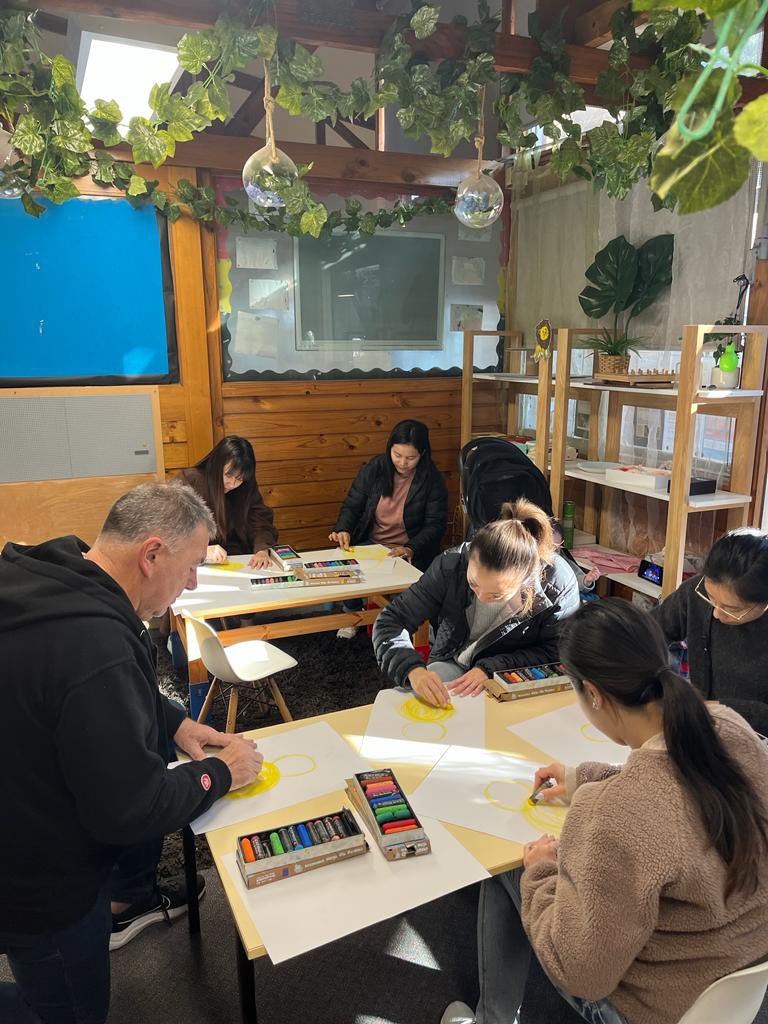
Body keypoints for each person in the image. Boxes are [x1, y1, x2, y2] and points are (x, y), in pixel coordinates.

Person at [0, 482, 264, 1024]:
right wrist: (220, 772)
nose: (191, 584)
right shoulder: (96, 649)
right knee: (68, 1012)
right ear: (151, 554)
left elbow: (70, 694)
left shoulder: (56, 568)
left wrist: (173, 722)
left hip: (19, 813)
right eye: (189, 567)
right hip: (43, 885)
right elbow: (132, 809)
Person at [442, 599, 768, 1024]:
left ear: (593, 694)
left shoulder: (616, 814)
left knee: (512, 863)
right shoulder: (728, 726)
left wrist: (541, 873)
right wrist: (584, 777)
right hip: (741, 967)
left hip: (656, 1003)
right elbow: (675, 784)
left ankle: (493, 1018)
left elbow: (581, 974)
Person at [373, 500, 575, 707]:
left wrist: (490, 668)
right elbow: (392, 620)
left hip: (513, 672)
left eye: (496, 595)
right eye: (473, 584)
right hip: (454, 658)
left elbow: (556, 651)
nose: (481, 598)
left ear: (525, 579)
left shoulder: (557, 584)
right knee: (414, 706)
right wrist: (412, 670)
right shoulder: (451, 564)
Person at [329, 419, 448, 639]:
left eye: (410, 457)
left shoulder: (432, 479)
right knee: (345, 565)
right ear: (389, 450)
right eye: (397, 455)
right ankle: (353, 614)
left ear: (422, 453)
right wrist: (344, 529)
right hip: (372, 543)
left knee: (422, 587)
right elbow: (353, 504)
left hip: (409, 548)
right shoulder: (376, 468)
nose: (403, 462)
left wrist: (411, 548)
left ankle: (411, 626)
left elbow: (435, 524)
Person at [651, 527, 768, 733]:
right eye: (711, 599)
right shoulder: (697, 590)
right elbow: (649, 628)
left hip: (755, 741)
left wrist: (719, 709)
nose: (716, 613)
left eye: (730, 609)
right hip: (703, 726)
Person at [178, 435, 277, 570]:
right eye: (228, 475)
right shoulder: (190, 481)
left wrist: (262, 550)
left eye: (239, 478)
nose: (232, 484)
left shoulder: (246, 486)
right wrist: (201, 551)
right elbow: (172, 530)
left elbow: (259, 520)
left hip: (238, 558)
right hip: (197, 562)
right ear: (216, 465)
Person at [551, 518, 600, 598]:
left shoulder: (560, 559)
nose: (552, 552)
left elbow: (576, 577)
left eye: (556, 548)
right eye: (547, 547)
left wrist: (586, 580)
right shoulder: (530, 561)